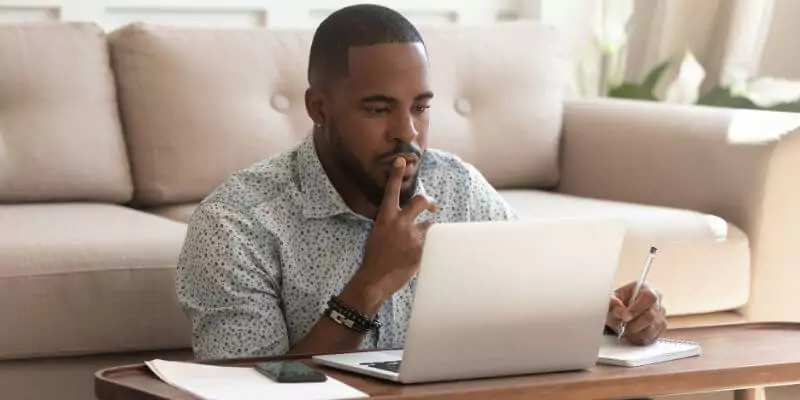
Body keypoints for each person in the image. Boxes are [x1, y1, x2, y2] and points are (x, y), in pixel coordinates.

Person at [175, 4, 667, 361]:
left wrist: (607, 316)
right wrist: (370, 284)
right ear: (319, 109)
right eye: (378, 108)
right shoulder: (236, 224)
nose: (407, 133)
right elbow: (246, 389)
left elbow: (531, 304)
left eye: (421, 106)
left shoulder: (458, 190)